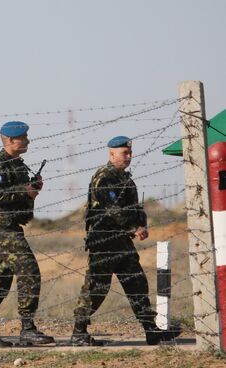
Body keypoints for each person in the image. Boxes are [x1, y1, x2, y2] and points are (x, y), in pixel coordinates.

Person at [70, 136, 182, 346]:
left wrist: (142, 223)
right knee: (97, 287)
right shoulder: (104, 177)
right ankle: (79, 331)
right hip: (104, 241)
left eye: (130, 153)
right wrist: (133, 227)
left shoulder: (126, 179)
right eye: (124, 153)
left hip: (122, 241)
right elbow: (113, 209)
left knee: (137, 283)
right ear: (111, 154)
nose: (129, 157)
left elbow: (135, 207)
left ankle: (151, 330)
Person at [0, 121, 54, 347]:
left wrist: (32, 190)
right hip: (1, 224)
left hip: (11, 224)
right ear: (10, 140)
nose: (27, 141)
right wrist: (24, 190)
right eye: (23, 138)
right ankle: (27, 328)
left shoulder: (18, 164)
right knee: (29, 270)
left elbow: (18, 195)